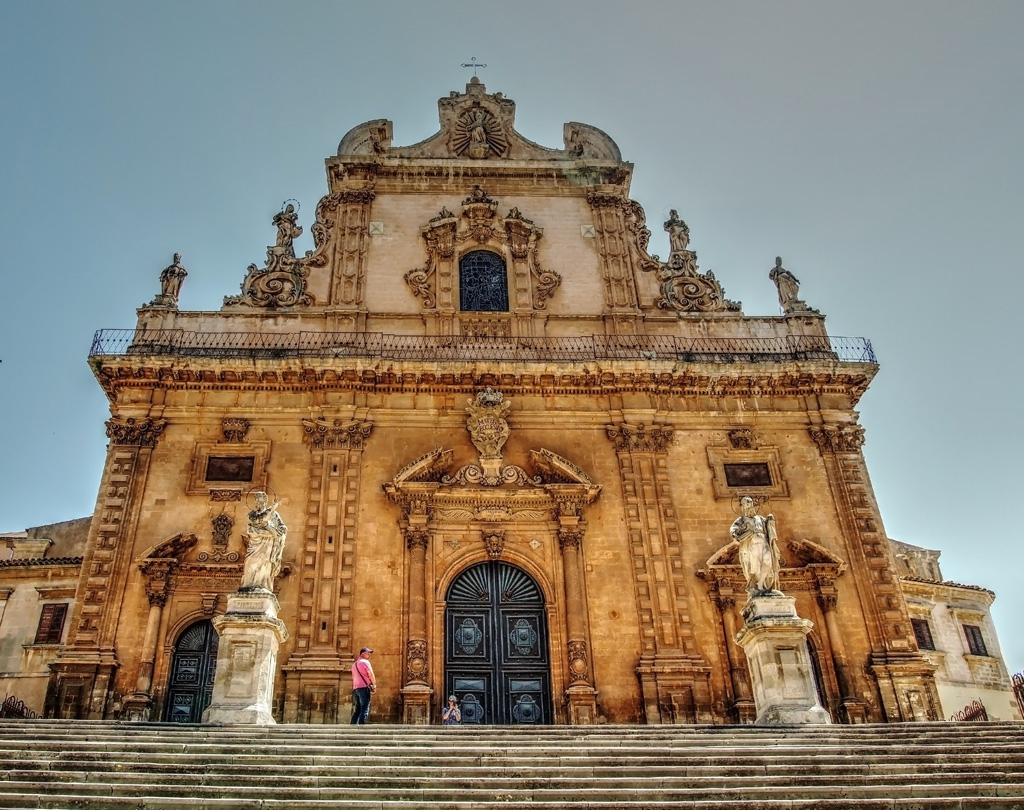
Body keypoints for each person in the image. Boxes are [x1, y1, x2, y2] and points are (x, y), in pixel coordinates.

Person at [730, 496, 782, 596]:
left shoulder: (760, 518)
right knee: (756, 566)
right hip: (751, 544)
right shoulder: (741, 519)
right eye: (745, 504)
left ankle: (761, 583)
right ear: (743, 507)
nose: (748, 506)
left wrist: (770, 520)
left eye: (749, 503)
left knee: (768, 560)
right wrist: (738, 533)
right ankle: (759, 586)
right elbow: (733, 530)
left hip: (763, 542)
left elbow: (768, 527)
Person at [238, 492, 287, 592]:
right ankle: (247, 585)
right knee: (249, 564)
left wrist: (273, 532)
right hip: (255, 545)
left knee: (265, 565)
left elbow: (282, 528)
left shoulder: (274, 515)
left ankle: (263, 586)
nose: (259, 502)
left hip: (267, 546)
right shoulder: (252, 514)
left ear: (265, 501)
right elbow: (260, 521)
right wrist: (270, 531)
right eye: (257, 500)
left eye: (261, 500)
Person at [351, 647, 376, 725]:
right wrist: (374, 685)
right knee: (365, 708)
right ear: (363, 654)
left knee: (357, 709)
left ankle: (352, 726)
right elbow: (371, 674)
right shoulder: (365, 662)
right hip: (364, 688)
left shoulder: (354, 665)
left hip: (356, 689)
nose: (369, 655)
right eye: (368, 653)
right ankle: (362, 727)